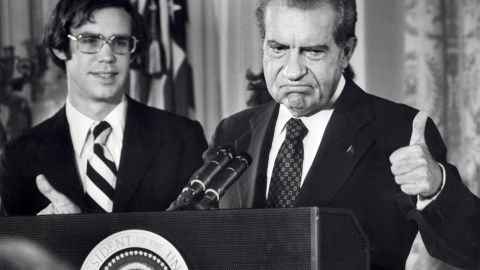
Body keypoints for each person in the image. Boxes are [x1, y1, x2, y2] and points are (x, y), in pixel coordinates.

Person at [203, 0, 480, 269]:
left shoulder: (400, 132)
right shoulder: (233, 131)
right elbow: (200, 243)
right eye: (278, 48)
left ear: (346, 52)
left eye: (313, 51)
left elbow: (472, 251)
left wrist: (436, 189)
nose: (292, 70)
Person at [0, 0, 207, 216]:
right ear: (60, 48)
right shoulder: (19, 158)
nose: (108, 57)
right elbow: (14, 248)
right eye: (90, 41)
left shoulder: (181, 138)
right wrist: (45, 235)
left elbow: (202, 239)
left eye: (119, 42)